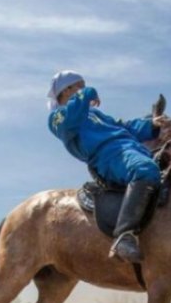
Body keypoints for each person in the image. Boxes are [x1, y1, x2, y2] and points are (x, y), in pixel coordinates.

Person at [47, 70, 160, 263]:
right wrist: (89, 91)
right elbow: (72, 116)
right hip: (108, 156)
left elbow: (124, 127)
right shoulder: (57, 117)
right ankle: (124, 236)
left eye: (84, 86)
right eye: (79, 86)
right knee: (144, 169)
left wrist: (152, 125)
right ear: (65, 91)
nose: (83, 89)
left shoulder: (95, 114)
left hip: (129, 147)